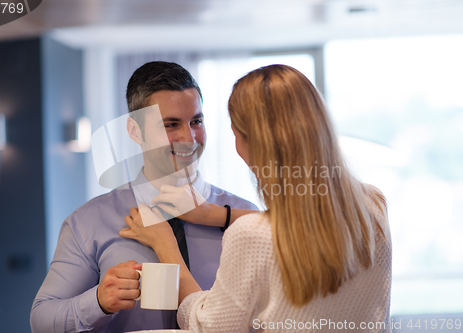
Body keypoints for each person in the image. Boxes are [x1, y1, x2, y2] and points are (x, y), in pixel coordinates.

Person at [121, 64, 392, 332]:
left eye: (235, 134)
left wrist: (166, 246)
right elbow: (307, 221)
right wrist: (216, 215)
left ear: (252, 143)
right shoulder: (372, 205)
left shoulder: (251, 237)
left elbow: (208, 327)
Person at [30, 61, 258, 333]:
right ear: (135, 131)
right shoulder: (88, 222)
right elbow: (41, 320)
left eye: (196, 121)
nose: (189, 137)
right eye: (171, 125)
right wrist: (98, 301)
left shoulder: (246, 217)